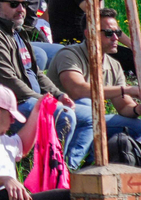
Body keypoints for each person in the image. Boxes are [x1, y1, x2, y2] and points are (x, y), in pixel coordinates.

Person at [0, 0, 88, 165]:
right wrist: (46, 102)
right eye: (14, 4)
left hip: (30, 101)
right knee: (65, 116)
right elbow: (8, 83)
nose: (21, 9)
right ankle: (51, 174)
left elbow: (37, 72)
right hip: (6, 108)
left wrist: (59, 94)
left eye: (23, 4)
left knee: (90, 116)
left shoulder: (15, 32)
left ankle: (68, 169)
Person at [50, 12, 141, 142]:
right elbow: (77, 90)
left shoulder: (114, 65)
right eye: (109, 33)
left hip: (95, 118)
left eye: (118, 33)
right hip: (62, 116)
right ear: (89, 34)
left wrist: (137, 109)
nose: (116, 38)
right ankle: (71, 162)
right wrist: (126, 89)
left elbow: (123, 106)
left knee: (138, 127)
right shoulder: (68, 55)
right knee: (87, 104)